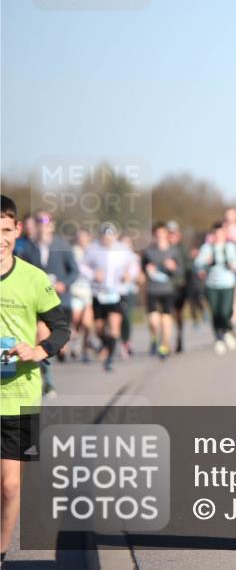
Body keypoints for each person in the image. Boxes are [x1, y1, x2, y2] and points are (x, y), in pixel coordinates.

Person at [0, 195, 71, 565]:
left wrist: (38, 351)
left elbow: (61, 329)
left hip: (20, 393)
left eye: (5, 230)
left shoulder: (32, 278)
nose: (0, 239)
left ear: (17, 231)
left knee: (10, 487)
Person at [29, 212, 78, 398]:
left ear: (52, 225)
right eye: (39, 221)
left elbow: (75, 271)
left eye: (46, 221)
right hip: (36, 303)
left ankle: (61, 351)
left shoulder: (62, 246)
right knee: (41, 336)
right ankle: (48, 382)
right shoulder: (27, 248)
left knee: (56, 339)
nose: (43, 225)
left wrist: (63, 283)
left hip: (59, 301)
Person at [85, 223, 137, 372]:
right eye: (104, 236)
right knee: (99, 328)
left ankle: (109, 360)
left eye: (110, 236)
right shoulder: (93, 249)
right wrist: (93, 275)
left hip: (117, 292)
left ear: (115, 236)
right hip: (99, 293)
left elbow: (133, 266)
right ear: (100, 236)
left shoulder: (123, 250)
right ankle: (105, 344)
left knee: (114, 327)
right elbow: (82, 266)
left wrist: (129, 275)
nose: (107, 239)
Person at [195, 221, 236, 355]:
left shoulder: (231, 247)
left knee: (225, 312)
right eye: (216, 233)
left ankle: (226, 330)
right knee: (215, 312)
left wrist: (234, 265)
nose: (219, 236)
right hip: (212, 284)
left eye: (221, 233)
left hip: (227, 283)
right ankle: (219, 338)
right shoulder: (207, 248)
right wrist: (205, 262)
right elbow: (197, 263)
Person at [141, 222, 183, 358]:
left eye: (162, 233)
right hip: (152, 289)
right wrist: (147, 271)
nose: (160, 236)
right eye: (157, 233)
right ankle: (154, 338)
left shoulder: (173, 251)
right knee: (153, 321)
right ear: (154, 235)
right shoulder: (148, 251)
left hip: (168, 290)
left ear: (166, 234)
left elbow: (181, 270)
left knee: (166, 319)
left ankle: (165, 345)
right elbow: (141, 270)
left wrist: (173, 267)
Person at [69, 228, 98, 361]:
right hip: (75, 290)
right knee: (75, 320)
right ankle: (75, 344)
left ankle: (85, 349)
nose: (82, 240)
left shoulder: (94, 251)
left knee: (87, 323)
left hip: (90, 291)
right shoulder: (72, 251)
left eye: (84, 237)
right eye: (80, 237)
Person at [166, 220, 194, 353]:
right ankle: (165, 341)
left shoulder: (183, 249)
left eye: (174, 233)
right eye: (169, 233)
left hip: (179, 287)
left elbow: (189, 266)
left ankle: (179, 337)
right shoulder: (161, 248)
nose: (172, 236)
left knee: (178, 314)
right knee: (166, 314)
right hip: (164, 287)